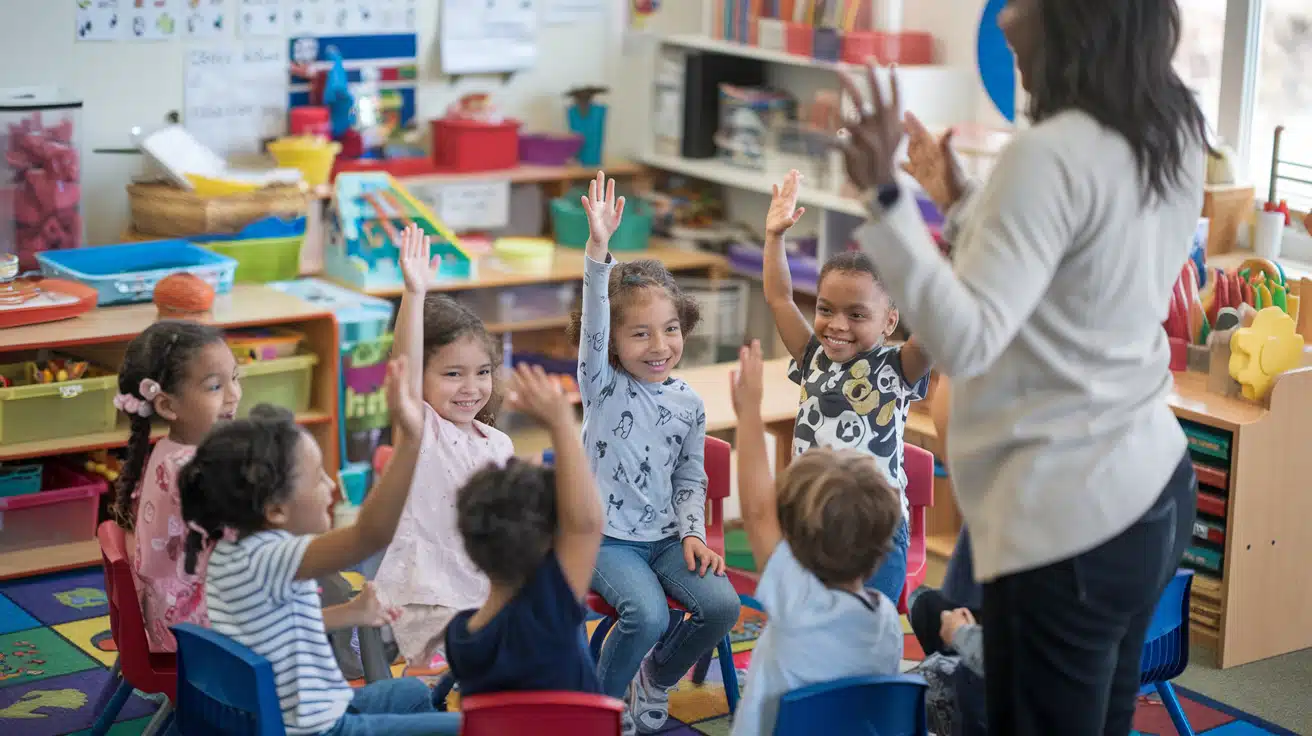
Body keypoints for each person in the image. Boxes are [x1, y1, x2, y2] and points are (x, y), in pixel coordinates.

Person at [832, 0, 1206, 730]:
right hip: (1153, 490)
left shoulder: (1050, 152)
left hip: (1071, 523)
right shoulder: (1171, 119)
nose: (1003, 24)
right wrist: (960, 199)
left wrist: (883, 197)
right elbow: (1065, 275)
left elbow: (967, 340)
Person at [180, 360, 462, 735]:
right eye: (317, 478)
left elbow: (273, 630)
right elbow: (368, 535)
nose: (332, 486)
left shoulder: (232, 550)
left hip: (297, 713)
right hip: (322, 729)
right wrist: (410, 442)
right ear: (276, 510)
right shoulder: (269, 557)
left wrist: (351, 613)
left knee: (410, 692)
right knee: (473, 726)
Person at [567, 171, 740, 734]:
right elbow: (595, 318)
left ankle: (655, 680)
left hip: (666, 537)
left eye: (669, 329)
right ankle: (599, 708)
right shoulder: (603, 384)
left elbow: (691, 477)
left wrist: (692, 532)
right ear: (612, 343)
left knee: (721, 606)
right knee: (647, 614)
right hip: (604, 536)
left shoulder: (689, 403)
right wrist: (598, 252)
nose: (660, 345)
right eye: (639, 334)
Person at [762, 169, 932, 603]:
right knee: (805, 623)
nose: (837, 325)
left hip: (878, 530)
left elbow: (934, 326)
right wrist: (775, 237)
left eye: (857, 315)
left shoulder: (896, 366)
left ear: (890, 320)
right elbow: (780, 297)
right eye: (825, 309)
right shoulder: (811, 355)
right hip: (810, 522)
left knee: (864, 624)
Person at [727, 340, 904, 736]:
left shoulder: (797, 603)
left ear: (791, 539)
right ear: (880, 551)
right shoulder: (887, 622)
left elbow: (756, 511)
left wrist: (749, 413)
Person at [374, 223, 515, 668]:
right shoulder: (421, 429)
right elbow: (405, 364)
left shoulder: (499, 443)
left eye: (482, 372)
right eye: (452, 374)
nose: (471, 387)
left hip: (482, 586)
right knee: (434, 685)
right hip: (426, 590)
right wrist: (414, 295)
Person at [444, 363, 604, 696]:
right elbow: (585, 524)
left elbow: (580, 528)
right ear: (548, 542)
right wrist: (561, 422)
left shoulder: (460, 638)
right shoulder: (549, 614)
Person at [111, 320, 239, 653]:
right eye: (215, 387)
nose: (233, 395)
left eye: (235, 378)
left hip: (168, 616)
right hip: (194, 631)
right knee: (313, 594)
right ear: (167, 405)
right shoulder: (189, 468)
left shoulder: (169, 452)